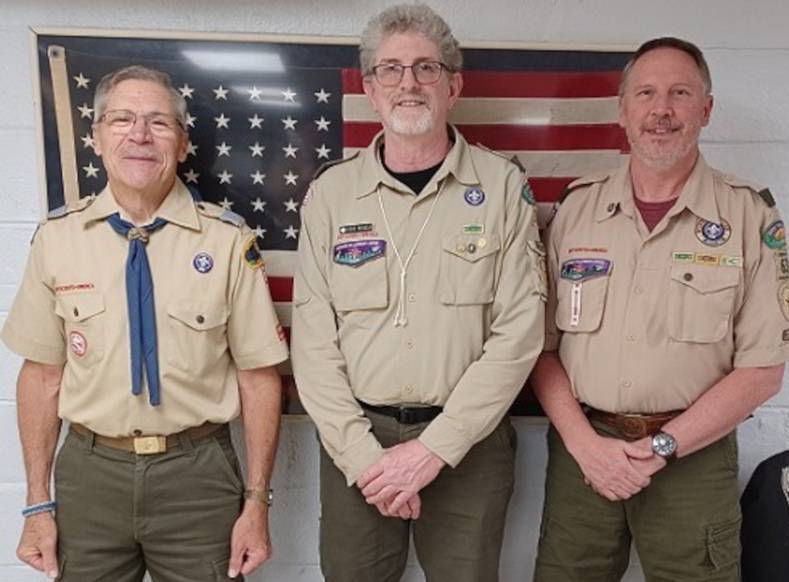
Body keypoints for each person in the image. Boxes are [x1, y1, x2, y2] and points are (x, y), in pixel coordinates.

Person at [2, 65, 288, 581]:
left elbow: (258, 377)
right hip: (90, 475)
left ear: (182, 144)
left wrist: (257, 501)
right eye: (121, 119)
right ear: (96, 137)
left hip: (198, 475)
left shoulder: (227, 241)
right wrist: (37, 504)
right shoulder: (57, 239)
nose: (139, 135)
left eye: (158, 122)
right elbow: (41, 377)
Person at [291, 4, 546, 581]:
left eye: (426, 68)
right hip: (359, 443)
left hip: (468, 445)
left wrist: (434, 450)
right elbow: (313, 344)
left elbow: (519, 335)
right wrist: (364, 458)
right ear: (369, 89)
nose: (408, 83)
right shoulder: (332, 194)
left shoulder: (502, 187)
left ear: (453, 87)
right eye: (391, 69)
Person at [532, 37, 789, 582]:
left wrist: (661, 447)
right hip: (584, 453)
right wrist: (585, 445)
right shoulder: (577, 209)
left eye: (680, 93)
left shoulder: (748, 215)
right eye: (646, 94)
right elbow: (539, 348)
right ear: (622, 110)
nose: (662, 110)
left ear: (706, 109)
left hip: (694, 460)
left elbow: (763, 371)